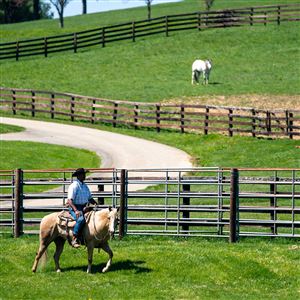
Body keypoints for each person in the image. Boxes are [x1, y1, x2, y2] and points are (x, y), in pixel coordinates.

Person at [67, 168, 96, 248]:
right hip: (75, 207)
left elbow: (90, 198)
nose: (84, 176)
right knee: (81, 219)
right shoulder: (74, 186)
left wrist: (95, 203)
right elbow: (69, 201)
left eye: (84, 174)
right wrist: (76, 210)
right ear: (79, 176)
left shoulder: (85, 186)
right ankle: (74, 238)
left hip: (84, 207)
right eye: (83, 174)